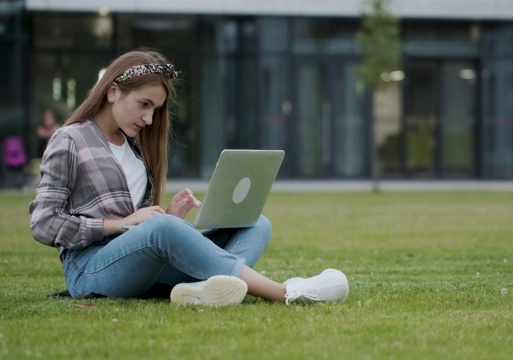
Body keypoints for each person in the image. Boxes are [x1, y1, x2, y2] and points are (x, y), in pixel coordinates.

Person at [29, 49, 349, 307]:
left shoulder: (137, 149)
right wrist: (126, 223)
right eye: (144, 105)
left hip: (141, 269)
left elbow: (143, 232)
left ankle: (202, 293)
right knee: (163, 227)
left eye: (155, 109)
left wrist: (166, 217)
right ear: (112, 91)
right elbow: (44, 223)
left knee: (257, 224)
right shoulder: (70, 140)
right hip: (89, 270)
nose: (149, 118)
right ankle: (286, 293)